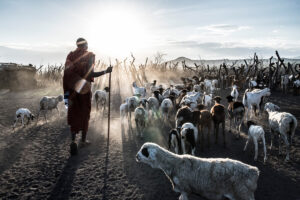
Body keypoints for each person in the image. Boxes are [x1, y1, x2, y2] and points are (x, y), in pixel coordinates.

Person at [63, 38, 112, 155]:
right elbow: (90, 73)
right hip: (84, 90)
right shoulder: (89, 55)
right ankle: (83, 141)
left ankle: (73, 141)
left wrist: (67, 95)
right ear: (86, 45)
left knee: (74, 113)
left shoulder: (70, 55)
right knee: (85, 113)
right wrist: (106, 71)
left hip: (71, 90)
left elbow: (66, 74)